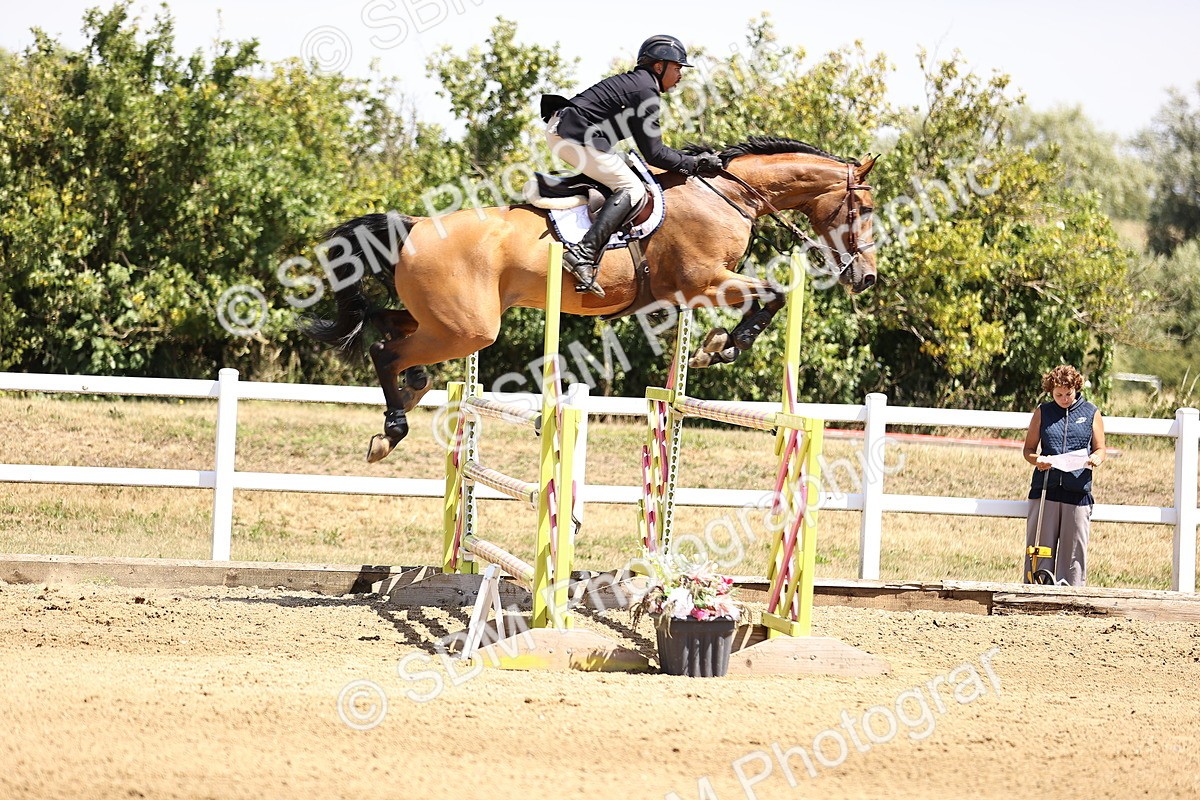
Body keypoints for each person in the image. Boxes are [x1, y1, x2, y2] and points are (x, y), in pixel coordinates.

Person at [541, 34, 723, 297]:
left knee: (631, 171)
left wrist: (690, 162)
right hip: (571, 133)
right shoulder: (646, 90)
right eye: (677, 67)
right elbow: (655, 153)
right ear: (659, 66)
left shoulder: (642, 85)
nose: (680, 75)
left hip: (570, 130)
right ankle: (582, 253)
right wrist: (694, 164)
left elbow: (651, 152)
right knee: (632, 189)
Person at [1021, 365, 1106, 586]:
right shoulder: (1043, 412)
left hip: (1077, 491)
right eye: (1058, 395)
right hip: (1045, 489)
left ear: (1076, 388)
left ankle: (1072, 595)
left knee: (1074, 554)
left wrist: (1097, 458)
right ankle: (1035, 591)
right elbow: (1028, 450)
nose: (1064, 399)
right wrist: (1038, 460)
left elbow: (1100, 449)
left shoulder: (1091, 412)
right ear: (1051, 391)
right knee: (1040, 549)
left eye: (1068, 394)